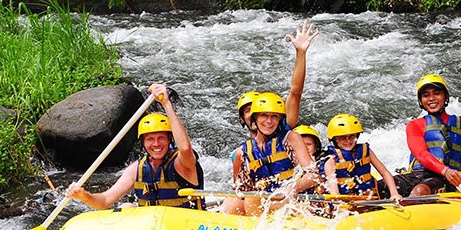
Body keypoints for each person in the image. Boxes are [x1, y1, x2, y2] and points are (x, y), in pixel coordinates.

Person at [66, 83, 204, 210]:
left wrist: (166, 104)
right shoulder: (136, 170)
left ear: (169, 140)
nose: (156, 144)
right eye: (150, 139)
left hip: (184, 227)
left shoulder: (182, 164)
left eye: (161, 138)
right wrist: (84, 195)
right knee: (126, 207)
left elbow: (185, 148)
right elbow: (104, 201)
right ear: (143, 142)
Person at [226, 92, 317, 216]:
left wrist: (294, 187)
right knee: (232, 202)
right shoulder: (241, 153)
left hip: (290, 201)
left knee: (252, 200)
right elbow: (240, 190)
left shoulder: (290, 139)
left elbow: (314, 175)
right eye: (264, 115)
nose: (269, 121)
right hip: (261, 205)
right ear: (255, 118)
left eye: (274, 116)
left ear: (280, 120)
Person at [323, 114, 402, 202]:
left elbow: (384, 172)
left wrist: (394, 193)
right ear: (333, 139)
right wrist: (337, 205)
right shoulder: (331, 159)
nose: (348, 141)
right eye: (342, 138)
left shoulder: (365, 150)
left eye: (352, 136)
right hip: (346, 202)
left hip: (369, 198)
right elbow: (333, 188)